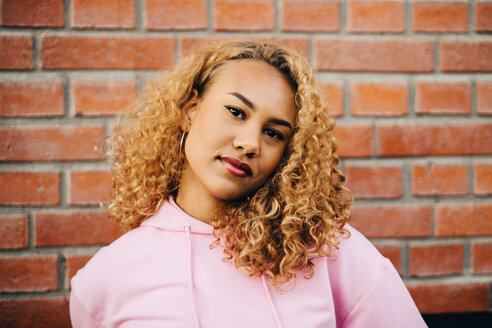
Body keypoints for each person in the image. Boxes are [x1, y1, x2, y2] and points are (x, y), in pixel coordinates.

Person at [70, 40, 427, 328]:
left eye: (273, 132)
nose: (250, 142)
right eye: (236, 112)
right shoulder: (105, 281)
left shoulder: (329, 251)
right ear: (189, 111)